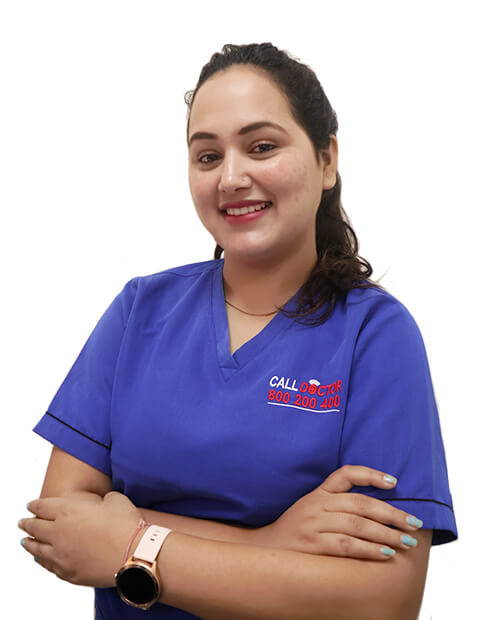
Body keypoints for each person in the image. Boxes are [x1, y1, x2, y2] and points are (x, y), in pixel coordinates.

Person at [19, 42, 457, 619]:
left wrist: (131, 544)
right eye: (207, 156)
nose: (230, 177)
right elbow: (59, 524)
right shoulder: (139, 311)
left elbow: (384, 601)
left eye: (261, 147)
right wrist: (268, 541)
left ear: (327, 160)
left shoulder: (376, 335)